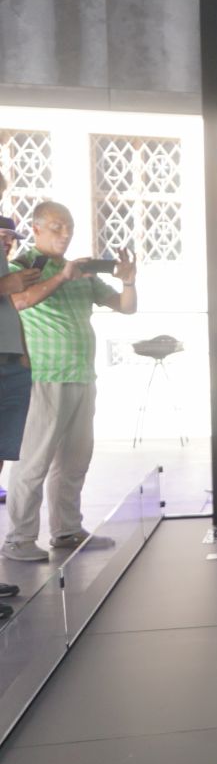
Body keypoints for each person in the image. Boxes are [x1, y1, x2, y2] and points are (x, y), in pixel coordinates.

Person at [3, 200, 137, 563]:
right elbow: (19, 302)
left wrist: (127, 279)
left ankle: (66, 530)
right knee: (33, 462)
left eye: (69, 228)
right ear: (36, 229)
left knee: (75, 460)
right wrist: (61, 276)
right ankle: (18, 539)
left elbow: (126, 306)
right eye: (56, 227)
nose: (65, 234)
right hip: (43, 378)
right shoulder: (22, 267)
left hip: (81, 376)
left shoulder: (82, 273)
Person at [0, 210, 34, 613]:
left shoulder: (7, 267)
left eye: (11, 237)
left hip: (12, 366)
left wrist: (24, 356)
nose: (8, 241)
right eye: (2, 235)